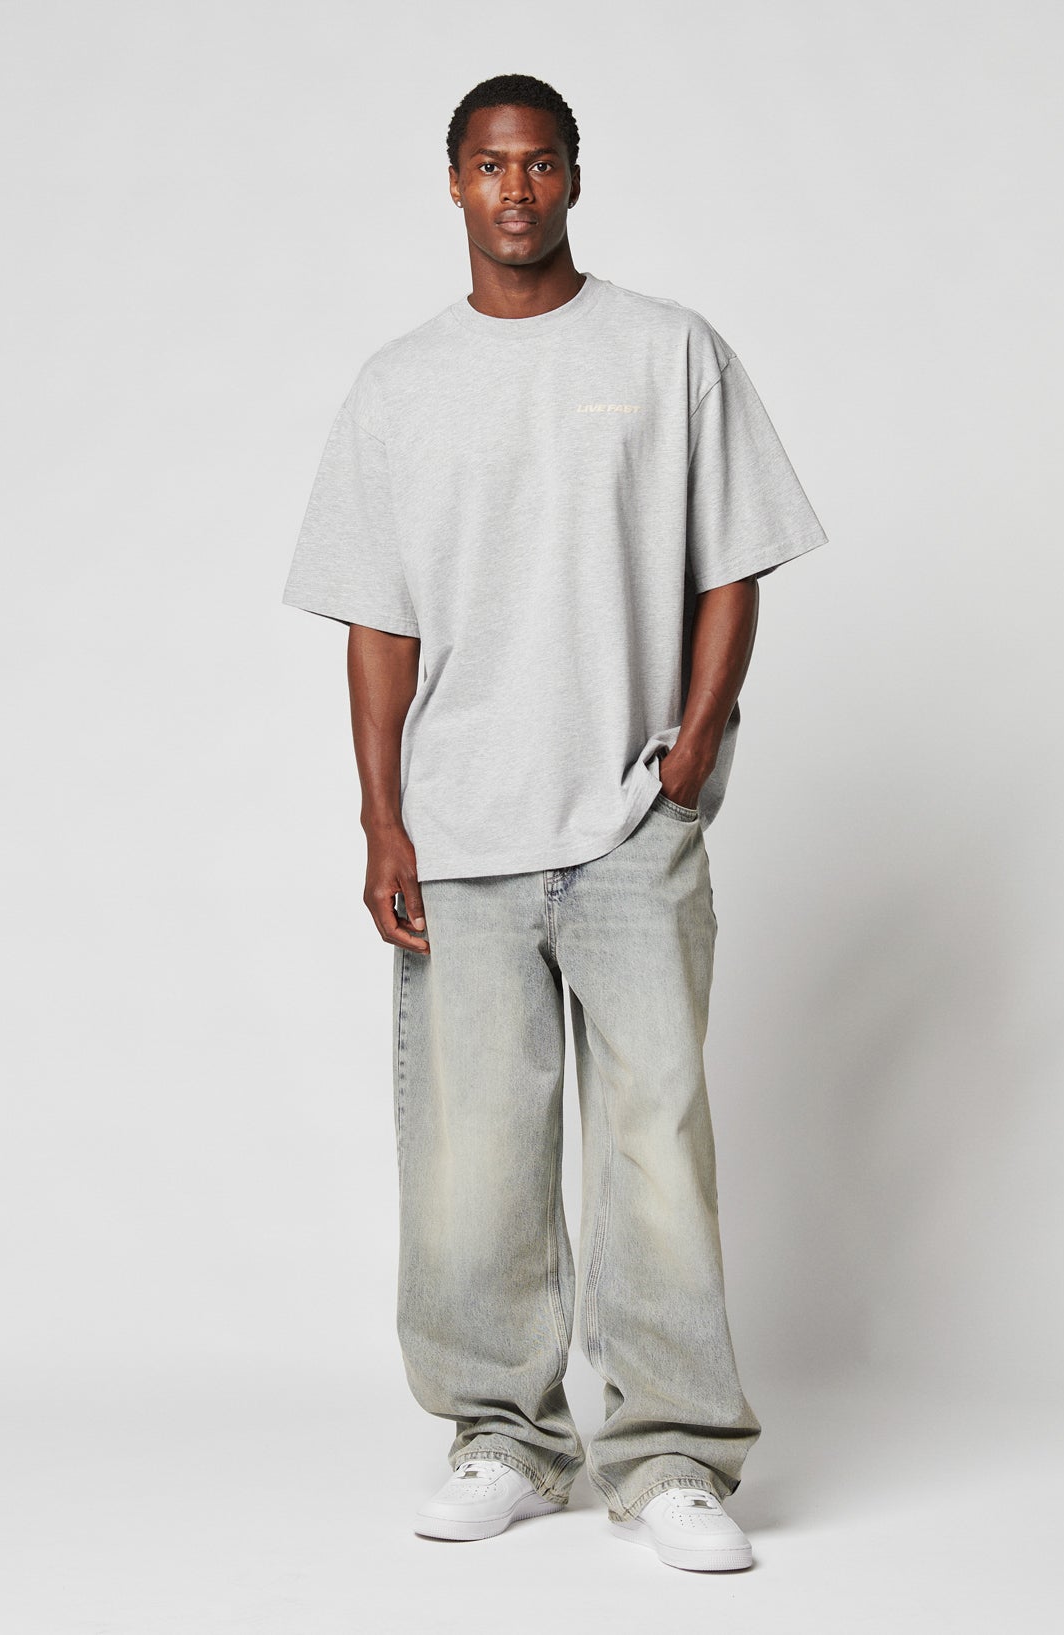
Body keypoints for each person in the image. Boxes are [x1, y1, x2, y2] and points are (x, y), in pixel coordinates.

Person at [281, 72, 828, 1574]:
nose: (513, 189)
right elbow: (378, 622)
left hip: (630, 824)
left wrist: (693, 747)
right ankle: (503, 1440)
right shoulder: (399, 385)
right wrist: (381, 820)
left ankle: (671, 1456)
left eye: (537, 163)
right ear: (452, 184)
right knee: (472, 1163)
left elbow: (733, 563)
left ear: (575, 177)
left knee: (655, 1146)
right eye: (487, 164)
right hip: (460, 833)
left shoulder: (667, 351)